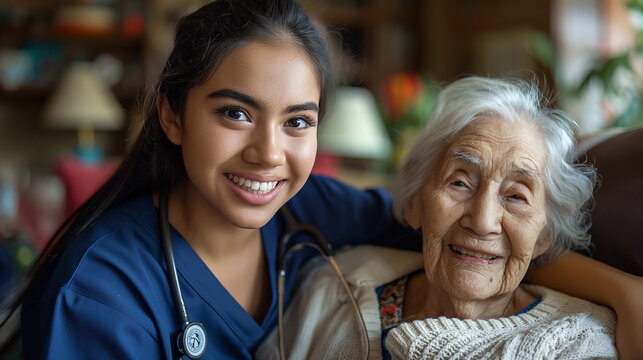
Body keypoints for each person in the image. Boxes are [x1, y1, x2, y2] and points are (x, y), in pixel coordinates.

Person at [0, 1, 640, 358]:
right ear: (171, 114)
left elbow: (466, 238)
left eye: (297, 121)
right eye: (235, 113)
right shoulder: (100, 296)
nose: (267, 153)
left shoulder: (312, 209)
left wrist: (623, 293)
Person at [254, 77, 633, 359]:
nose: (483, 220)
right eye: (459, 182)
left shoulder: (574, 346)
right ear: (416, 201)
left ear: (546, 231)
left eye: (516, 196)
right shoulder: (336, 286)